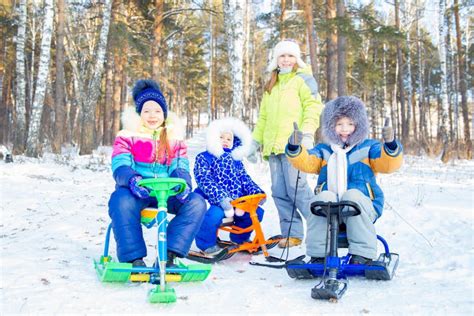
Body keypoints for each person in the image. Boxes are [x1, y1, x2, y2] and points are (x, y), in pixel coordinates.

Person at [285, 96, 403, 264]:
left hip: (362, 206)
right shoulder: (325, 150)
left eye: (350, 124)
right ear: (331, 127)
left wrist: (390, 145)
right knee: (322, 199)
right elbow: (306, 161)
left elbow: (388, 164)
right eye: (339, 124)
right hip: (331, 208)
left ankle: (362, 254)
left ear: (358, 126)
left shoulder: (368, 147)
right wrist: (294, 147)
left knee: (353, 195)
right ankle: (318, 255)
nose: (345, 129)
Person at [108, 79, 207, 268]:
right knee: (120, 200)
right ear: (139, 113)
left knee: (196, 202)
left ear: (164, 113)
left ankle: (169, 255)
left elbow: (180, 165)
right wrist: (132, 180)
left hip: (166, 191)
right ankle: (134, 259)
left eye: (157, 111)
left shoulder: (174, 139)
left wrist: (182, 184)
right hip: (137, 190)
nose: (152, 116)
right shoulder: (127, 136)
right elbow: (120, 163)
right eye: (147, 111)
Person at [248, 39, 324, 248]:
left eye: (291, 55)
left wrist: (307, 133)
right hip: (273, 148)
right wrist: (255, 142)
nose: (287, 59)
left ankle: (322, 228)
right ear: (276, 60)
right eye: (282, 55)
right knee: (280, 191)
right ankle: (292, 233)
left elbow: (313, 107)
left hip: (294, 146)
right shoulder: (271, 85)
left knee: (297, 188)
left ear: (297, 59)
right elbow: (263, 117)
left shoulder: (303, 79)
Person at [194, 117, 265, 255]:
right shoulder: (205, 157)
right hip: (217, 200)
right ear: (213, 138)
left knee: (257, 213)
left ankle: (240, 238)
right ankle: (206, 244)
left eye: (229, 139)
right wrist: (221, 198)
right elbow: (204, 179)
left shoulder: (236, 161)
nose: (225, 141)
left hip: (238, 202)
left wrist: (257, 193)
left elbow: (245, 179)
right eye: (221, 137)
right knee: (214, 216)